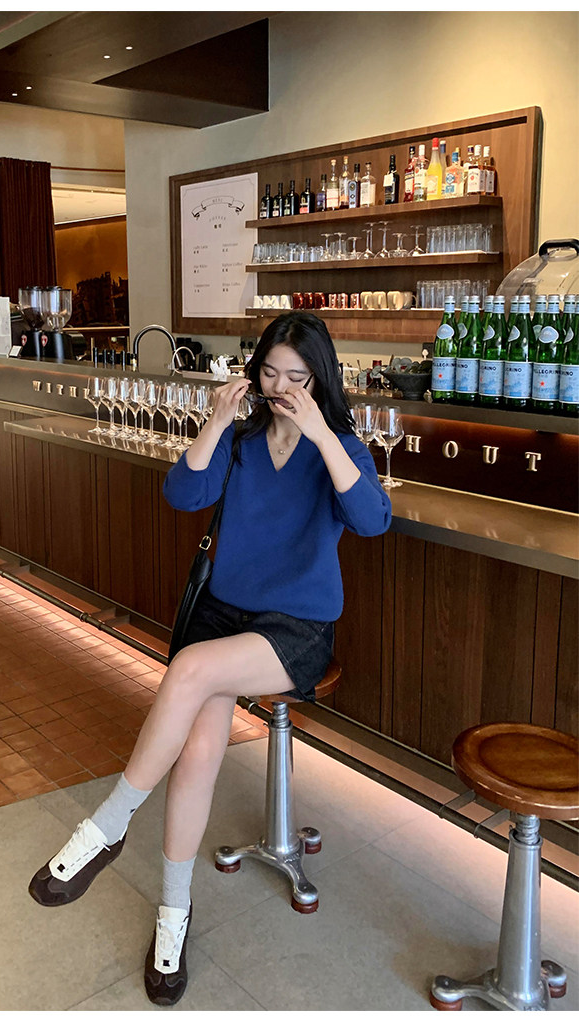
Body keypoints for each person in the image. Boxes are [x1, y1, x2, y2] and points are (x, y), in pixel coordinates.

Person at [28, 312, 392, 1006]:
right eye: (269, 374)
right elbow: (183, 494)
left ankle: (108, 824)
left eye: (297, 377)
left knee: (190, 670)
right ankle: (174, 913)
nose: (280, 389)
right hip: (223, 616)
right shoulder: (244, 440)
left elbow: (373, 520)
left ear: (320, 381)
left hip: (295, 629)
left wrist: (323, 435)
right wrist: (217, 422)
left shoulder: (339, 445)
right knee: (196, 755)